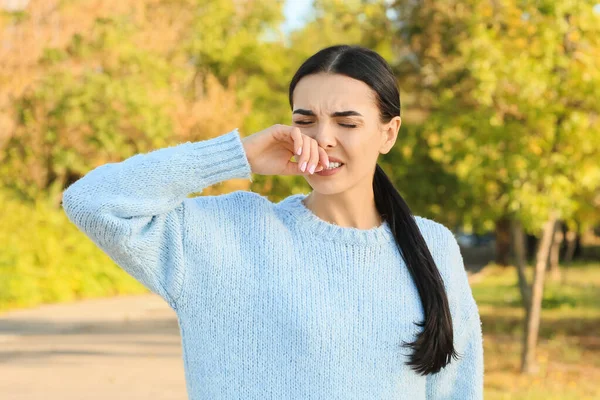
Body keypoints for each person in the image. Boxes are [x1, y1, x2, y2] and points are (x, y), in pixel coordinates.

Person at [62, 44, 483, 399]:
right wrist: (234, 156)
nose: (323, 138)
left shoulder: (433, 245)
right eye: (305, 121)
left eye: (347, 122)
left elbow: (455, 388)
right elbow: (91, 201)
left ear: (388, 134)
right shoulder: (227, 234)